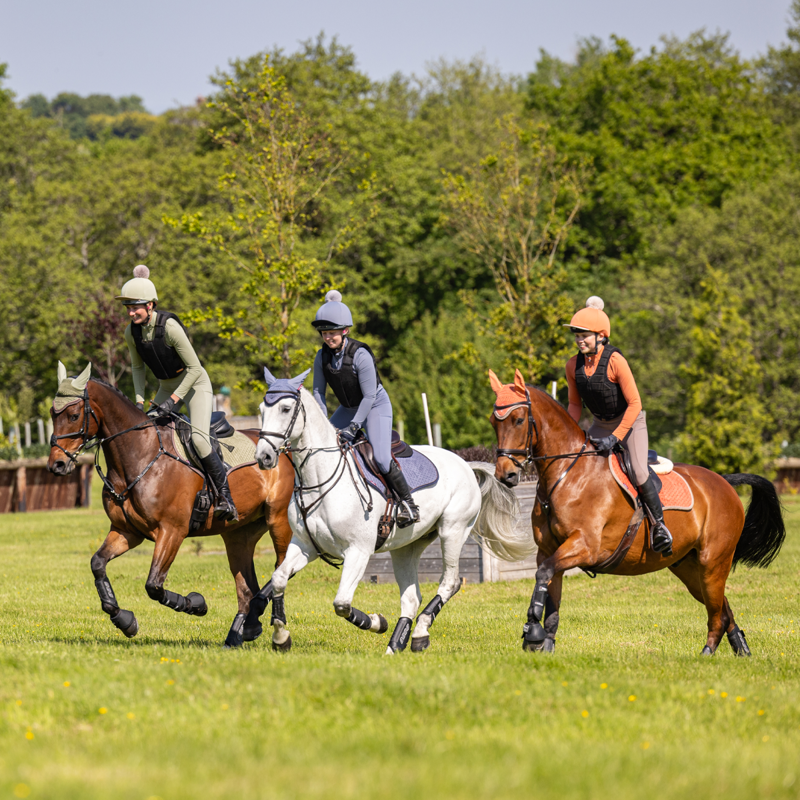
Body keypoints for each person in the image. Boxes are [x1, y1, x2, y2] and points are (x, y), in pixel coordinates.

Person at [117, 265, 238, 522]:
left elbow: (195, 368)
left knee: (199, 440)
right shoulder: (132, 332)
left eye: (135, 306)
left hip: (195, 384)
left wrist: (173, 401)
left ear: (150, 305)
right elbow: (137, 367)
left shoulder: (169, 326)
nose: (130, 312)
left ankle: (225, 497)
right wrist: (139, 400)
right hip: (166, 385)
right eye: (127, 307)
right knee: (144, 434)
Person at [564, 296, 672, 555]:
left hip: (631, 422)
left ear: (601, 336)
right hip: (600, 424)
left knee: (638, 471)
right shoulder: (572, 365)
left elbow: (635, 403)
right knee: (580, 465)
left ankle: (660, 527)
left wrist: (616, 438)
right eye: (577, 335)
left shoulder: (615, 361)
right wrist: (568, 432)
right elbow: (575, 405)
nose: (579, 339)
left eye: (584, 335)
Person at [311, 290, 420, 527]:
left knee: (381, 458)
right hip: (348, 407)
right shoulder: (321, 357)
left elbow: (370, 395)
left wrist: (353, 426)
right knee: (322, 446)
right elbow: (318, 392)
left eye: (332, 333)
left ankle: (408, 504)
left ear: (345, 331)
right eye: (325, 333)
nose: (328, 337)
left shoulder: (360, 354)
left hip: (374, 407)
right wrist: (321, 422)